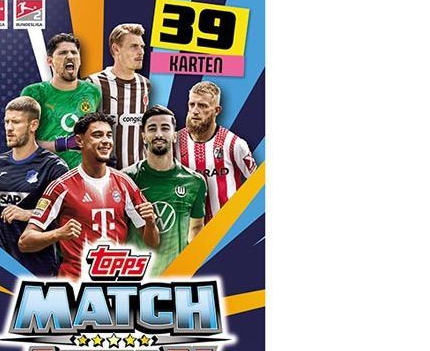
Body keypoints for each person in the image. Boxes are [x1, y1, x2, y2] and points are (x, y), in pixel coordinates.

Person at [20, 112, 158, 280]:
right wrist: (58, 234)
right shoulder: (61, 187)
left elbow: (152, 242)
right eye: (97, 135)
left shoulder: (124, 183)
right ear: (80, 141)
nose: (106, 141)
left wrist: (151, 224)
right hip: (75, 286)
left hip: (115, 285)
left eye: (109, 135)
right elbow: (25, 242)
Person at [0, 96, 69, 274]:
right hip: (2, 267)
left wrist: (28, 214)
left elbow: (67, 215)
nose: (9, 128)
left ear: (33, 125)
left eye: (16, 122)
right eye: (7, 122)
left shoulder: (54, 166)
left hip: (38, 268)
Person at [124, 106, 206, 276]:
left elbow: (197, 227)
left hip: (177, 278)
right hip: (137, 278)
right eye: (152, 129)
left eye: (165, 128)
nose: (159, 134)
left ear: (175, 135)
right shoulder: (125, 179)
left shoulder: (195, 181)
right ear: (144, 136)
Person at [175, 81, 257, 223]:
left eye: (202, 106)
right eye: (192, 104)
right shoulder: (174, 143)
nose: (195, 111)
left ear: (217, 110)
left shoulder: (234, 144)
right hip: (185, 229)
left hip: (226, 227)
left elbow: (257, 187)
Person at [20, 33, 101, 169]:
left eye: (74, 52)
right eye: (63, 53)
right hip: (46, 172)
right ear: (50, 61)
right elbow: (23, 143)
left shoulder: (93, 91)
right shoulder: (33, 93)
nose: (70, 56)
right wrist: (63, 144)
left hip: (83, 173)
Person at [89, 22, 150, 170]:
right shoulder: (93, 83)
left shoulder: (145, 84)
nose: (141, 52)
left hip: (138, 173)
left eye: (142, 47)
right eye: (134, 46)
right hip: (106, 173)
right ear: (116, 49)